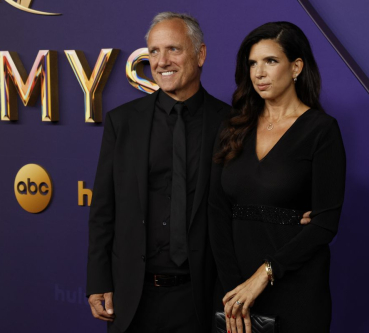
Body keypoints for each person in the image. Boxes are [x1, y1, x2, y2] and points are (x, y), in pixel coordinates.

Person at [86, 12, 230, 333]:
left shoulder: (230, 124)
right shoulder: (123, 122)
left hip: (201, 298)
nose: (161, 61)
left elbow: (244, 200)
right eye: (153, 51)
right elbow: (103, 210)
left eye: (173, 50)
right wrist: (98, 279)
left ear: (200, 54)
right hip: (133, 298)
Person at [208, 21, 346, 333]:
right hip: (234, 290)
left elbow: (325, 223)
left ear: (296, 67)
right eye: (252, 63)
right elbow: (216, 211)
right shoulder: (232, 127)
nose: (259, 73)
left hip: (296, 287)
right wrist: (235, 290)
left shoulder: (321, 131)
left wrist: (264, 274)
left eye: (270, 61)